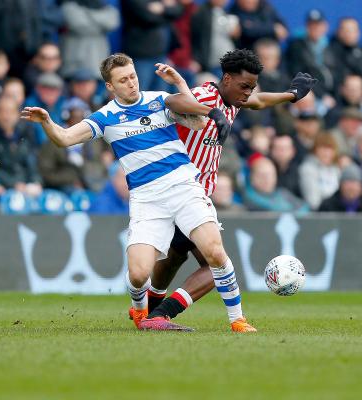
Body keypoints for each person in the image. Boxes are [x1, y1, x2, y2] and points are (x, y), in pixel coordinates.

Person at [22, 53, 246, 333]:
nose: (131, 83)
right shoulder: (105, 117)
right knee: (139, 275)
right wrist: (46, 121)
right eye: (123, 80)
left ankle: (238, 320)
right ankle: (141, 313)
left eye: (133, 77)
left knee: (214, 251)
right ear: (110, 87)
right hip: (146, 199)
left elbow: (199, 120)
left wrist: (179, 84)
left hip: (183, 186)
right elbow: (64, 138)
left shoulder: (158, 100)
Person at [139, 49, 316, 328]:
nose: (248, 93)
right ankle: (163, 314)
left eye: (251, 87)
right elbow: (173, 101)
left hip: (188, 193)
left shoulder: (234, 98)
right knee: (216, 266)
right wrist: (212, 113)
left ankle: (148, 311)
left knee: (175, 256)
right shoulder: (205, 96)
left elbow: (257, 101)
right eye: (244, 86)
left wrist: (291, 95)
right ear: (227, 78)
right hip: (184, 193)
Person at [60, 0, 120, 79]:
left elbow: (112, 22)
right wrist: (101, 25)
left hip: (98, 63)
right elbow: (79, 24)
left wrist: (87, 13)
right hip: (74, 65)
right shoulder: (68, 5)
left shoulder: (105, 7)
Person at [298, 133, 341, 209]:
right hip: (319, 214)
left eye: (330, 149)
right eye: (323, 148)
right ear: (315, 150)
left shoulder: (336, 170)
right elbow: (313, 201)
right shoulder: (308, 169)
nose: (326, 153)